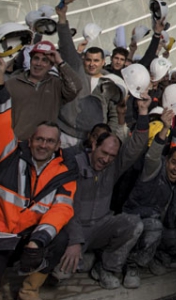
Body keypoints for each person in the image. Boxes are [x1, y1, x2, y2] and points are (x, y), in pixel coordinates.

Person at [0, 62, 77, 300]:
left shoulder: (65, 172)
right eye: (39, 139)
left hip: (29, 238)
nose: (43, 145)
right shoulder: (8, 156)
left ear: (57, 146)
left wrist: (38, 240)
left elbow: (61, 209)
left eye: (49, 142)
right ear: (30, 140)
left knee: (60, 237)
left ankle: (29, 290)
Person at [58, 95, 151, 289]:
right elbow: (65, 208)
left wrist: (143, 113)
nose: (107, 159)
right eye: (104, 153)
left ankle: (107, 267)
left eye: (112, 156)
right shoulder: (73, 164)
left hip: (101, 225)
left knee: (133, 224)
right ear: (93, 146)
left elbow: (135, 148)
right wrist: (74, 241)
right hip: (74, 228)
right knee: (61, 273)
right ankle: (85, 257)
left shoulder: (113, 166)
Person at [124, 117, 176, 277]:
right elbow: (152, 156)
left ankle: (156, 256)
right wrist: (165, 128)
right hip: (137, 219)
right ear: (167, 161)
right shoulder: (153, 170)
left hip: (162, 227)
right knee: (152, 228)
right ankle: (132, 265)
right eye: (173, 162)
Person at [54, 6, 121, 147]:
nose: (92, 64)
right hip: (66, 135)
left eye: (96, 61)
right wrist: (62, 18)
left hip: (94, 141)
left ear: (103, 62)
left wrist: (109, 137)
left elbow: (114, 115)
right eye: (88, 60)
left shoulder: (110, 82)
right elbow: (67, 48)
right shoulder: (75, 73)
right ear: (83, 60)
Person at [4, 41, 81, 141]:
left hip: (43, 145)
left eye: (45, 60)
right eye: (36, 58)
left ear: (51, 65)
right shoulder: (11, 84)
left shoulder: (56, 85)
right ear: (31, 60)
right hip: (15, 144)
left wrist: (60, 62)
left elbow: (76, 87)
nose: (39, 63)